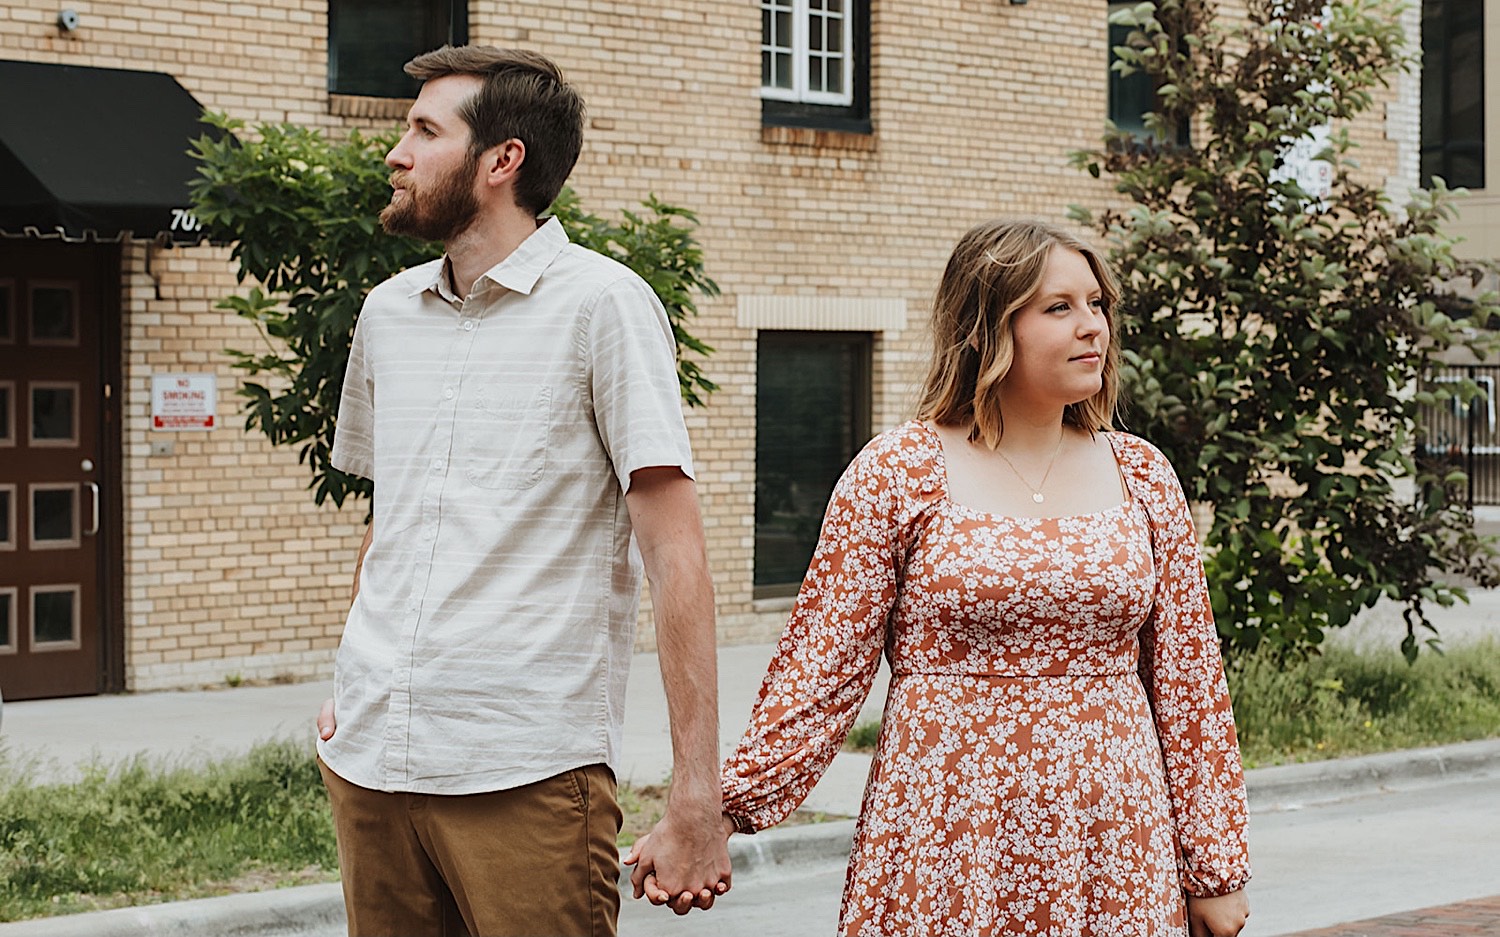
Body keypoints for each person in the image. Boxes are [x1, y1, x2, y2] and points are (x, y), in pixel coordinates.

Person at [640, 219, 1252, 935]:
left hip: (1113, 838)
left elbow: (1191, 685)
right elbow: (817, 676)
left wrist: (1215, 866)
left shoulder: (1142, 475)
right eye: (1059, 307)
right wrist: (714, 811)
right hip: (947, 832)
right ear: (989, 326)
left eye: (1098, 304)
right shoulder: (898, 472)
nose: (1092, 327)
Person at [313, 45, 730, 936]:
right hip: (373, 760)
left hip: (527, 768)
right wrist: (352, 674)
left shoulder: (605, 306)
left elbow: (674, 548)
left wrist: (698, 792)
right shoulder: (386, 314)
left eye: (425, 130)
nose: (397, 151)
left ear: (502, 161)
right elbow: (396, 512)